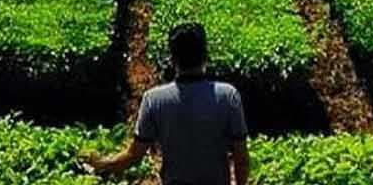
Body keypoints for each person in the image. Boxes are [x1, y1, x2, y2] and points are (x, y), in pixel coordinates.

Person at [86, 22, 250, 185]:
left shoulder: (154, 99)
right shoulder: (228, 96)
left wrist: (102, 164)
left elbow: (134, 156)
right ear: (205, 54)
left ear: (172, 58)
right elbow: (241, 158)